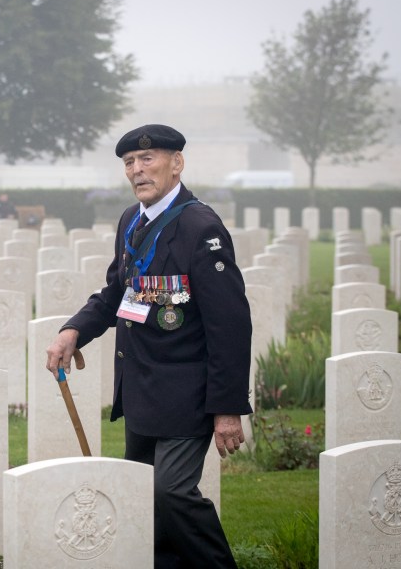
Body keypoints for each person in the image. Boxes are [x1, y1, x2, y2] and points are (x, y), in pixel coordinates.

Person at [45, 124, 252, 568]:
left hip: (186, 395)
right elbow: (116, 292)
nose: (137, 171)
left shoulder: (201, 228)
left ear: (176, 163)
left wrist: (227, 407)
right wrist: (74, 331)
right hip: (141, 390)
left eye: (148, 159)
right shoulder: (130, 221)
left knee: (171, 491)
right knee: (144, 501)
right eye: (129, 163)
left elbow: (230, 325)